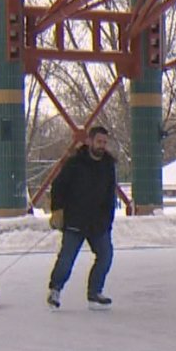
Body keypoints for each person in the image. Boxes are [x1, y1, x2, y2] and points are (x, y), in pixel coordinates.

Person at [47, 125, 118, 310]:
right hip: (75, 221)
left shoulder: (108, 165)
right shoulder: (75, 163)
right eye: (99, 141)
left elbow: (110, 194)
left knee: (105, 255)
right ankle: (55, 289)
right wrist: (57, 210)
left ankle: (95, 293)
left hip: (98, 223)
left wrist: (108, 220)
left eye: (104, 142)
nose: (102, 145)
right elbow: (58, 187)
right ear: (89, 141)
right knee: (67, 258)